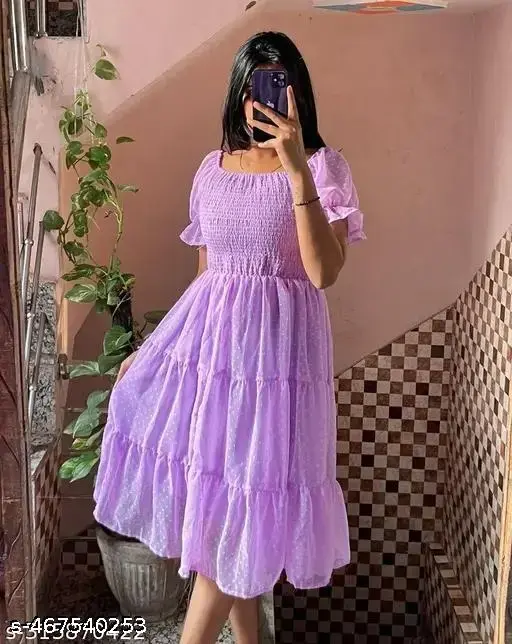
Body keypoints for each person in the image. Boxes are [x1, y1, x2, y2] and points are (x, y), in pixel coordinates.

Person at [93, 31, 365, 644]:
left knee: (234, 523)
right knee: (224, 517)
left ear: (297, 92)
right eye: (252, 85)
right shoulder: (211, 170)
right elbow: (206, 282)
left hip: (278, 374)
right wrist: (153, 350)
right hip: (215, 370)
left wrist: (297, 172)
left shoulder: (323, 167)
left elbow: (323, 273)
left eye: (276, 83)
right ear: (238, 92)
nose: (261, 99)